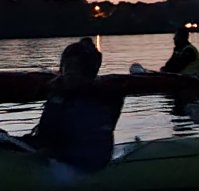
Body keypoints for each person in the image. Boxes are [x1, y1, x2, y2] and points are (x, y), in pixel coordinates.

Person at [19, 37, 126, 173]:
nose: (69, 72)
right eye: (66, 67)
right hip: (57, 156)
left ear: (88, 72)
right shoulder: (59, 94)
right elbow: (46, 135)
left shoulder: (99, 100)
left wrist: (47, 152)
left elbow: (88, 142)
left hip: (82, 164)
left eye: (75, 68)